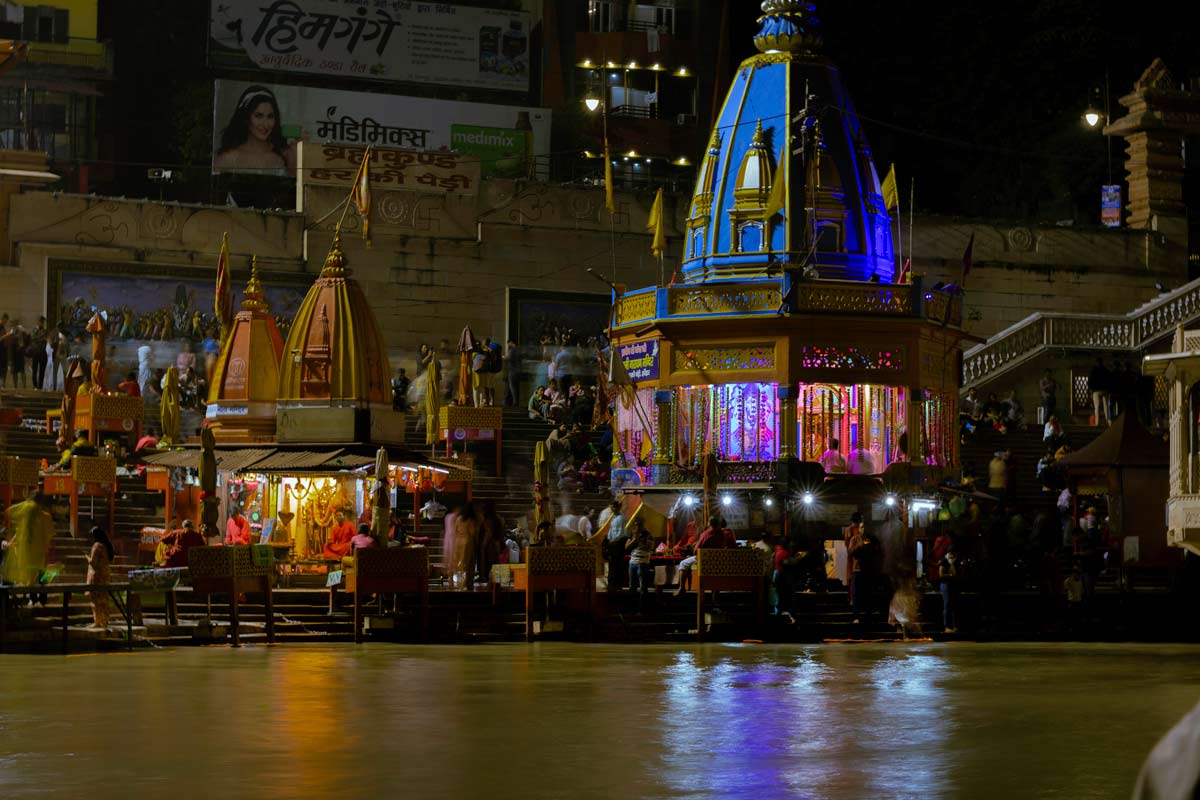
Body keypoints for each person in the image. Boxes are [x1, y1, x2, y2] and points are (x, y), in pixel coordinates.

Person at [213, 85, 292, 175]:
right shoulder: (227, 159)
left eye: (270, 116)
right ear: (246, 118)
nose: (265, 124)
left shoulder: (282, 156)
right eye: (259, 116)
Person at [0, 494, 55, 600]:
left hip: (29, 555)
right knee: (40, 577)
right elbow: (49, 535)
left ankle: (33, 598)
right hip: (40, 554)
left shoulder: (28, 518)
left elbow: (9, 512)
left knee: (32, 579)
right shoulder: (45, 516)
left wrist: (10, 542)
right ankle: (40, 598)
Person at [674, 515, 724, 596]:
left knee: (683, 563)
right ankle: (715, 596)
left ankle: (681, 588)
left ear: (709, 523)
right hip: (716, 561)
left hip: (703, 560)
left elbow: (695, 550)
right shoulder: (721, 533)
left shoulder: (705, 533)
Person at [86, 525, 114, 629]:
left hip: (97, 576)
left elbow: (93, 563)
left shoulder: (97, 546)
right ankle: (105, 621)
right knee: (104, 599)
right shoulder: (106, 545)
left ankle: (97, 621)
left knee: (95, 600)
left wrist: (87, 558)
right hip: (105, 575)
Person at [626, 519, 655, 608]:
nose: (637, 527)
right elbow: (627, 547)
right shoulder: (632, 534)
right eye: (636, 525)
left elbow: (649, 548)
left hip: (643, 562)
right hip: (632, 562)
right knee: (632, 586)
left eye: (639, 525)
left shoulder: (648, 535)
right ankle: (632, 608)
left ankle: (642, 609)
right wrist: (634, 540)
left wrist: (640, 541)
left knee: (643, 587)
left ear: (643, 525)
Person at [453, 503, 479, 589]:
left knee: (459, 563)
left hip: (458, 541)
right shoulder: (470, 520)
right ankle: (466, 583)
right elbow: (472, 532)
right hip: (467, 541)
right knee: (467, 563)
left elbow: (455, 530)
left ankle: (459, 582)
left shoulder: (459, 518)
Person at [605, 500, 627, 592]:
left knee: (617, 565)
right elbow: (611, 529)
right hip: (612, 543)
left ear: (617, 507)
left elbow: (621, 531)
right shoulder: (614, 517)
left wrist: (615, 539)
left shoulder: (622, 518)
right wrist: (609, 538)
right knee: (612, 565)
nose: (611, 509)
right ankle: (611, 584)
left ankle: (618, 584)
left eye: (612, 507)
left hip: (618, 543)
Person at [939, 544, 960, 634]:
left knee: (955, 605)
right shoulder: (944, 561)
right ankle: (946, 626)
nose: (952, 555)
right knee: (947, 604)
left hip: (954, 584)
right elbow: (941, 574)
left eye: (954, 553)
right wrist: (950, 576)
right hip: (946, 584)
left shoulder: (957, 561)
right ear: (948, 553)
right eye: (951, 553)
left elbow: (960, 572)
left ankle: (956, 626)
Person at [1088, 356, 1111, 426]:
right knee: (1106, 407)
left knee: (1097, 407)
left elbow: (1090, 381)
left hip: (1096, 391)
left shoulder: (1093, 370)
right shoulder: (1105, 370)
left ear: (1096, 362)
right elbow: (1109, 380)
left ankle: (1097, 423)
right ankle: (1107, 422)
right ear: (1102, 362)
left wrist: (1091, 390)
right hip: (1104, 390)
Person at [504, 340, 521, 407]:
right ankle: (515, 401)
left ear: (511, 342)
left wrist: (504, 357)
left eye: (508, 343)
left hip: (512, 371)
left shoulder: (512, 350)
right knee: (516, 387)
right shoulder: (519, 350)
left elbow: (508, 358)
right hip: (517, 371)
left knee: (512, 387)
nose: (508, 345)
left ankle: (515, 402)